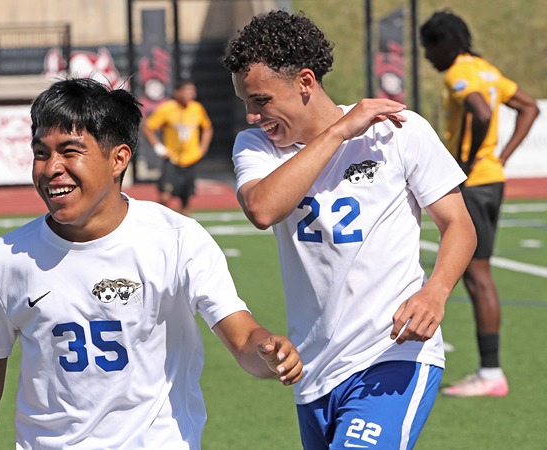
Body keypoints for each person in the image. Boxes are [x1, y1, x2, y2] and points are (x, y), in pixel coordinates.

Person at [0, 77, 303, 450]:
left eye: (70, 151)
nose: (52, 167)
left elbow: (243, 336)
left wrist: (269, 352)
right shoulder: (7, 256)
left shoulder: (176, 238)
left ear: (118, 158)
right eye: (42, 152)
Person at [222, 10, 477, 450]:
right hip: (316, 370)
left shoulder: (399, 131)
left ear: (305, 81)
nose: (251, 115)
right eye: (246, 102)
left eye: (261, 100)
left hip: (393, 356)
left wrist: (435, 292)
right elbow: (263, 208)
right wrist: (339, 132)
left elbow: (459, 225)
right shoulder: (256, 146)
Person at [420, 10, 540, 398]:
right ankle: (489, 370)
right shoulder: (486, 69)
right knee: (477, 273)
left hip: (473, 183)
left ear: (444, 44)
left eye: (429, 48)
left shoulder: (458, 73)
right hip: (493, 180)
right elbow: (529, 107)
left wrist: (467, 163)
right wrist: (500, 158)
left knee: (475, 275)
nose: (427, 57)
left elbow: (482, 111)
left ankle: (490, 372)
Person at [141, 78, 214, 216]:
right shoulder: (167, 108)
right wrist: (158, 147)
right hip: (172, 160)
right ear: (177, 92)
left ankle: (184, 230)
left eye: (192, 91)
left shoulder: (197, 108)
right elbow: (147, 127)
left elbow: (207, 128)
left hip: (190, 160)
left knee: (186, 200)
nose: (190, 94)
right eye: (186, 90)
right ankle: (162, 223)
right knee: (165, 197)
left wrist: (202, 148)